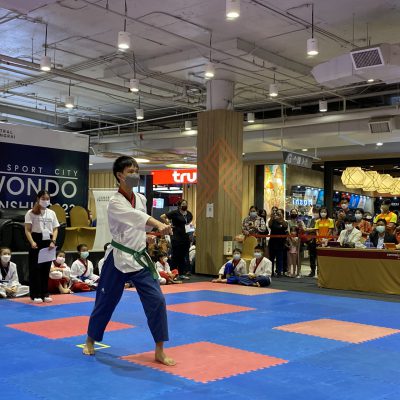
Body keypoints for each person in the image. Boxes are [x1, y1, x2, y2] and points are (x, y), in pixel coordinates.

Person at [83, 156, 175, 366]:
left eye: (136, 170)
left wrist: (153, 232)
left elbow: (142, 224)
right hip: (118, 257)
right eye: (130, 171)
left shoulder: (140, 198)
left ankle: (159, 350)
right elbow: (135, 217)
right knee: (105, 301)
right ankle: (90, 339)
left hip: (139, 258)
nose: (135, 174)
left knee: (157, 301)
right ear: (120, 175)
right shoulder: (115, 202)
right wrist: (157, 224)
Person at [24, 190, 60, 303]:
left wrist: (53, 241)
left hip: (48, 241)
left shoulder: (52, 213)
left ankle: (45, 293)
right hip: (36, 240)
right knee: (36, 269)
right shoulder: (30, 212)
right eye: (43, 198)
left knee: (46, 268)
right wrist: (32, 242)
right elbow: (27, 230)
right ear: (38, 199)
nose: (45, 201)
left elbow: (55, 229)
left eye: (47, 199)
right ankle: (35, 294)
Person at [161, 200, 193, 280]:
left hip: (185, 237)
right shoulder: (175, 213)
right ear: (179, 205)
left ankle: (181, 274)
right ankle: (173, 274)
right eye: (183, 204)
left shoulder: (189, 214)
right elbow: (162, 216)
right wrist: (169, 224)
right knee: (175, 256)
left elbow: (189, 222)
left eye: (186, 204)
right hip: (176, 237)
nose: (185, 205)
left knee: (183, 256)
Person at [268, 209, 288, 277]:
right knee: (271, 258)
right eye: (277, 213)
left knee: (280, 258)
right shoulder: (273, 221)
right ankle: (271, 272)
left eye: (280, 213)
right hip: (272, 242)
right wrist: (272, 217)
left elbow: (285, 226)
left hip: (280, 242)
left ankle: (279, 272)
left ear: (283, 214)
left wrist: (281, 219)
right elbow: (269, 225)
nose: (278, 214)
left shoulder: (284, 222)